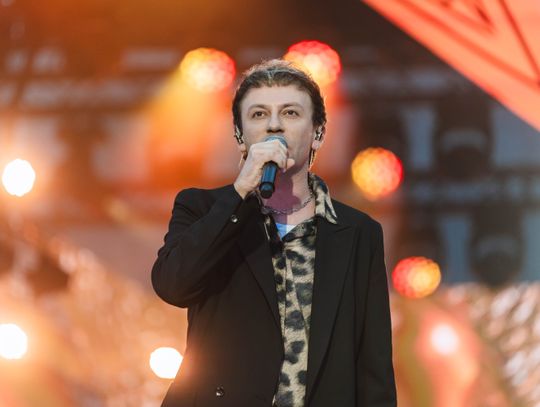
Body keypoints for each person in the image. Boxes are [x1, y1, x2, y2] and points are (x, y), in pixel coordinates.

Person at [151, 59, 396, 407]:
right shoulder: (204, 209)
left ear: (318, 133)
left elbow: (373, 365)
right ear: (240, 136)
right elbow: (172, 284)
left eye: (291, 113)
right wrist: (239, 194)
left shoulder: (357, 232)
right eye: (258, 114)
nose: (274, 125)